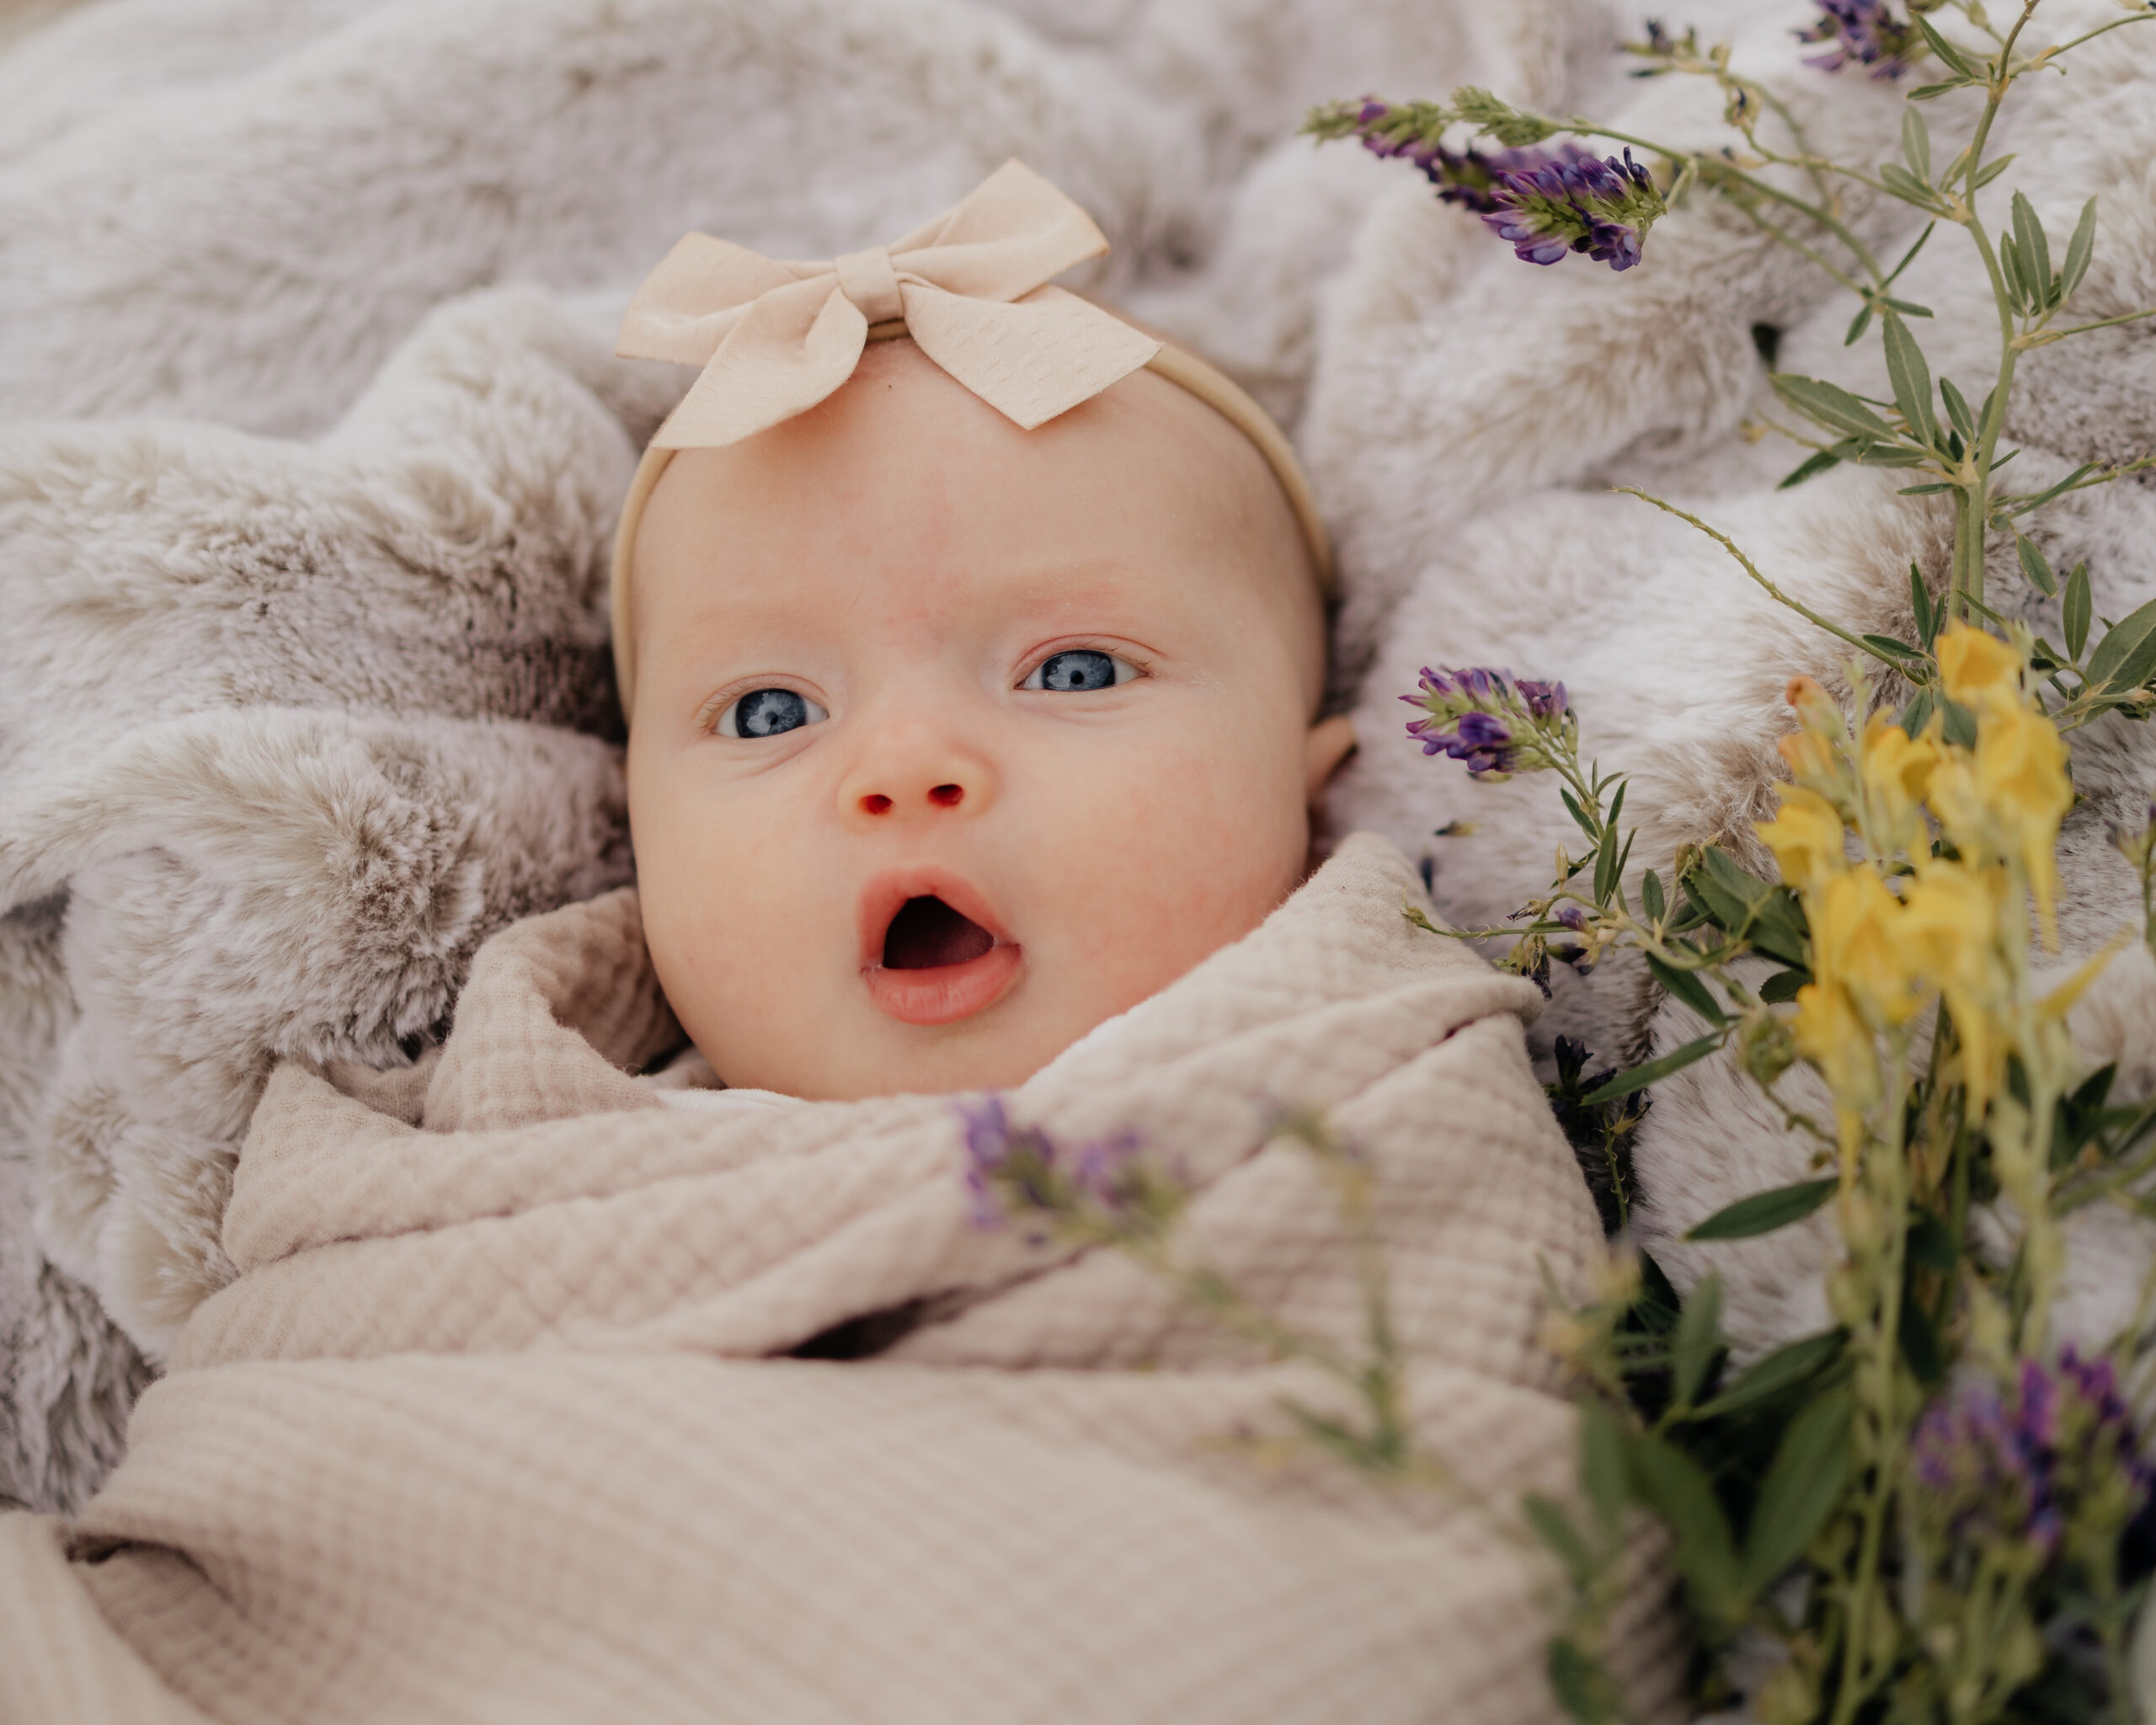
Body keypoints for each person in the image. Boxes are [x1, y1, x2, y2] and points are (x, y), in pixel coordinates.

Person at [612, 159, 1356, 1101]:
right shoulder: (533, 1122)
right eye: (768, 712)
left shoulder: (1394, 1053)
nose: (905, 765)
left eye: (1075, 672)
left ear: (1315, 793)